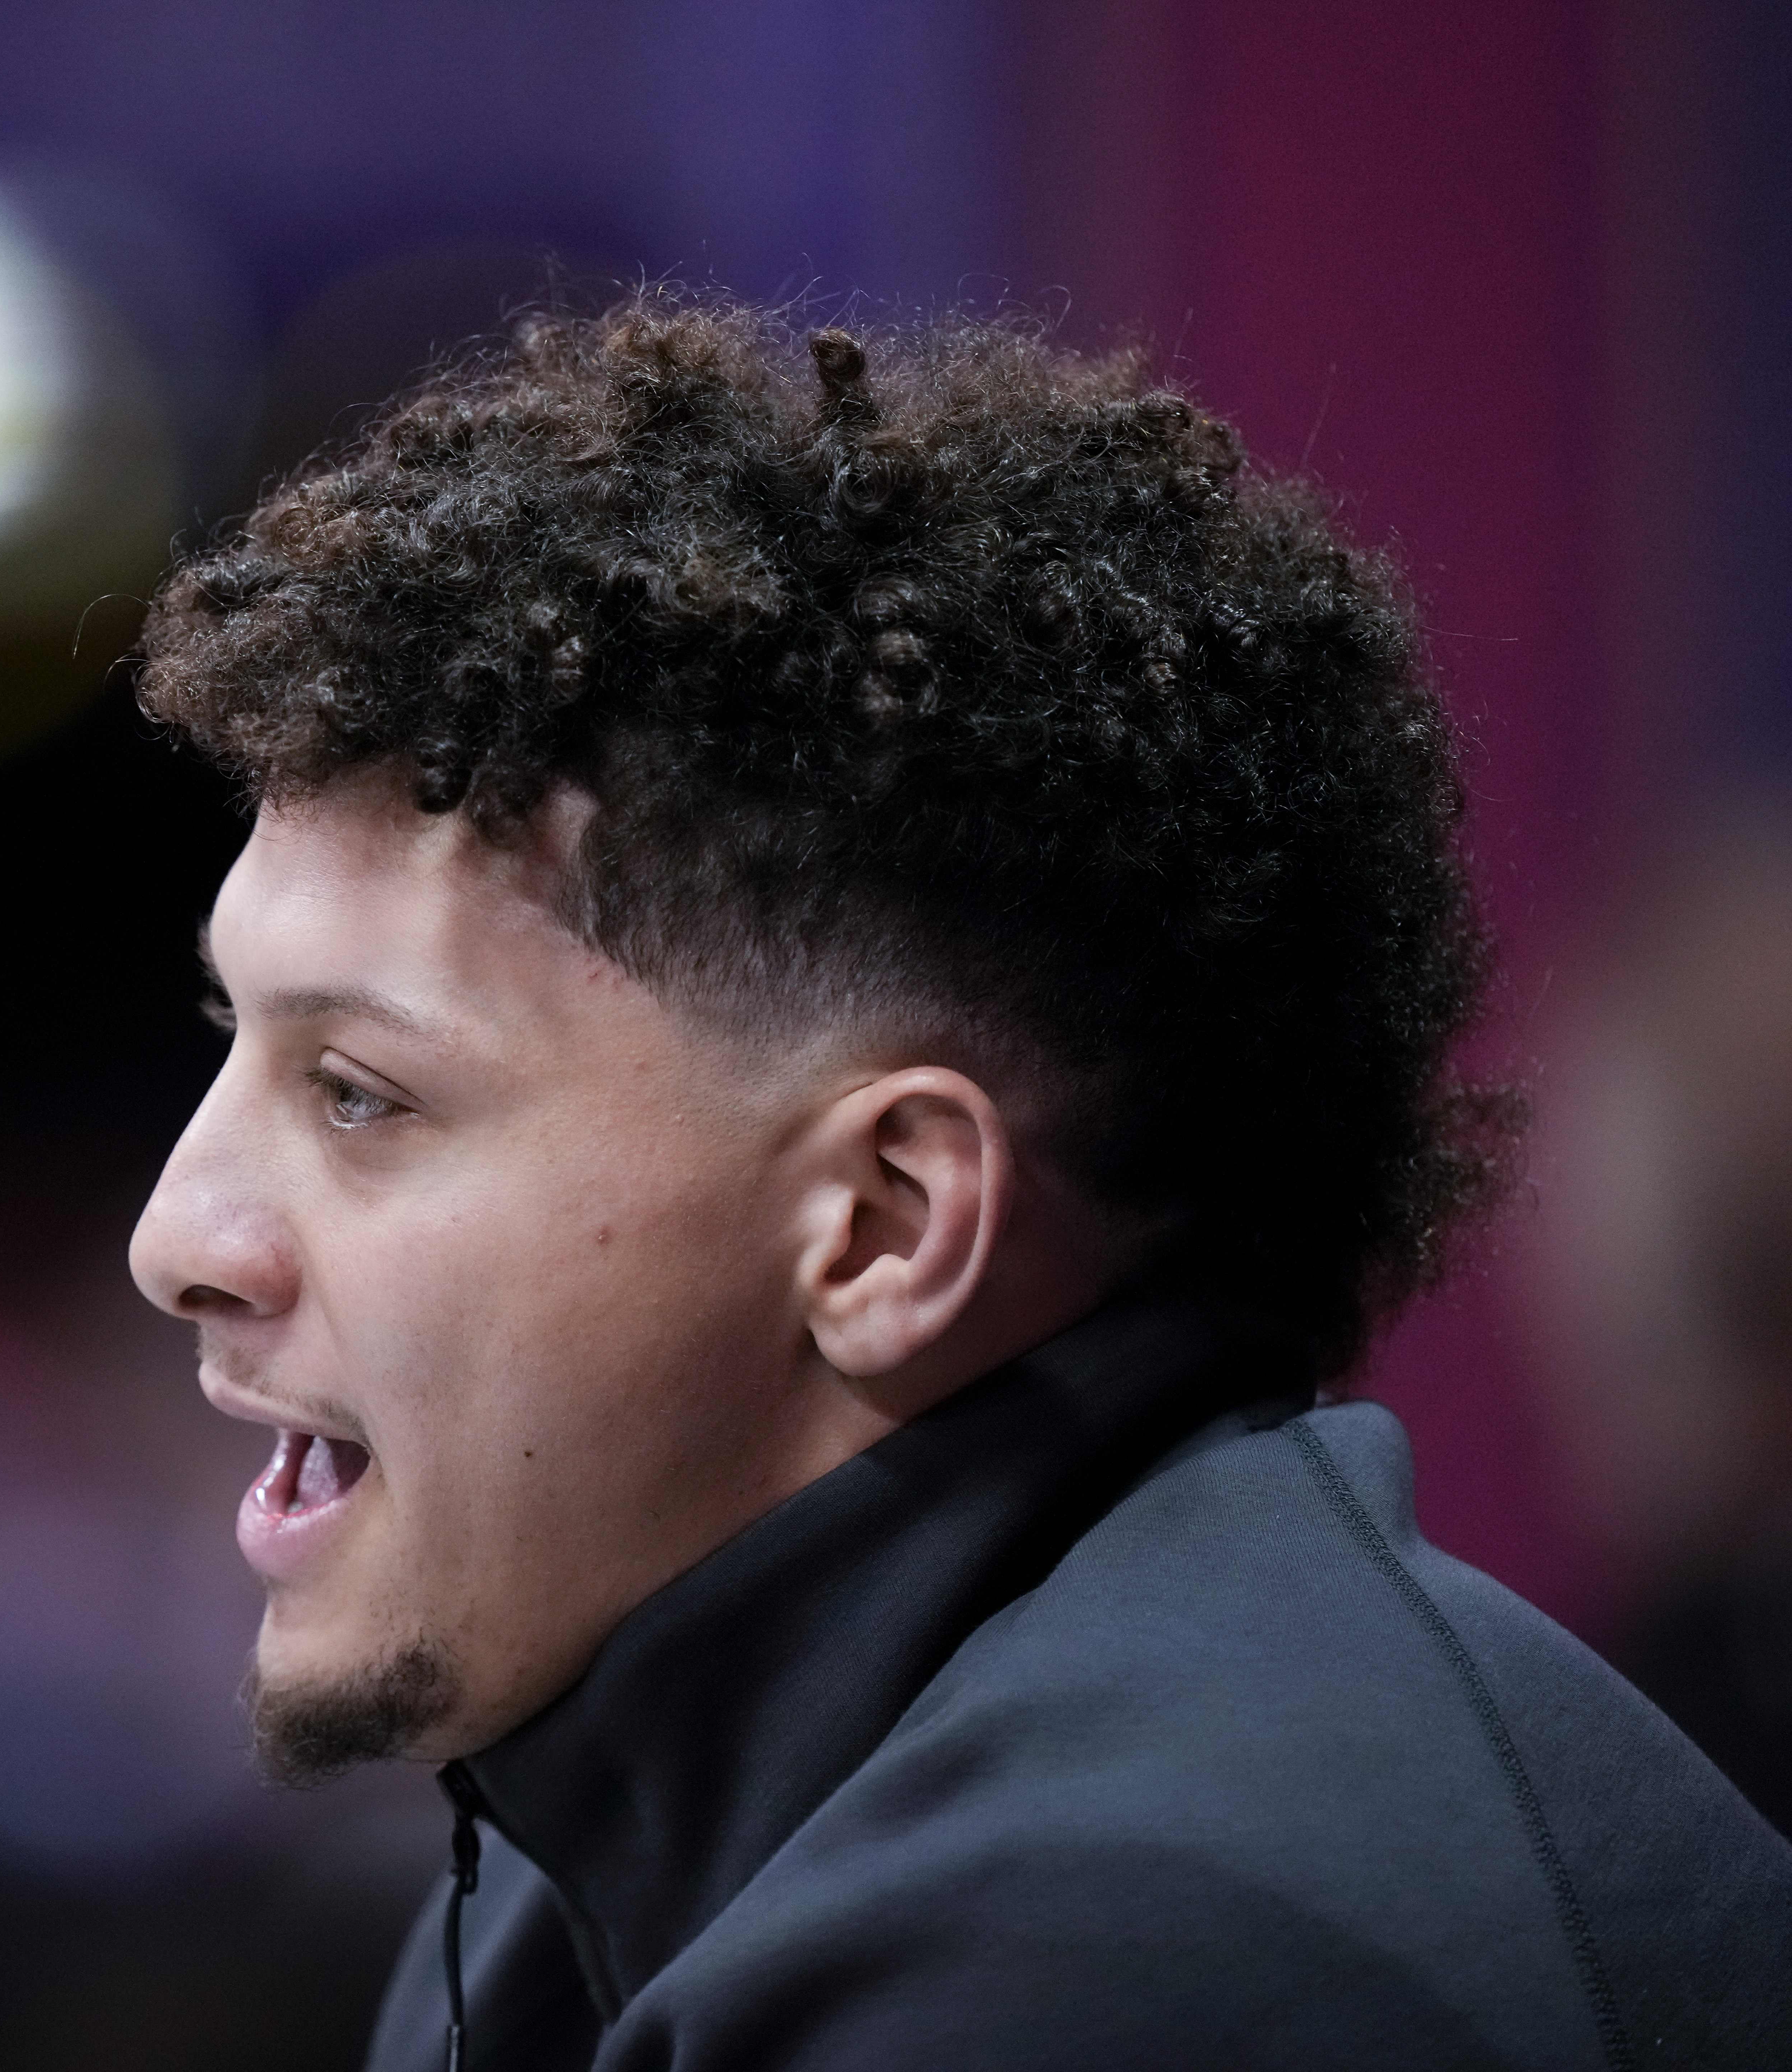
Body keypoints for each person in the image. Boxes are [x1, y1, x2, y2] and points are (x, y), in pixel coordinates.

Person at [123, 300, 1792, 2071]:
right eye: (231, 1039)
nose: (179, 1240)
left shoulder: (1137, 1968)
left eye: (363, 1095)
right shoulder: (576, 1896)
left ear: (887, 1226)